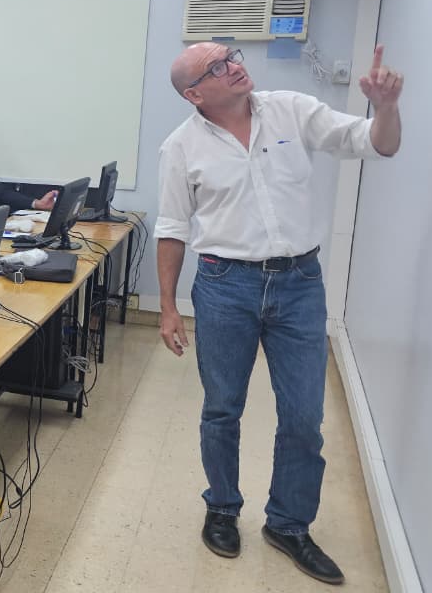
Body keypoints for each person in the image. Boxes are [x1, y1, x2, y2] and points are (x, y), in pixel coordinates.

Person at [157, 43, 402, 585]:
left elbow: (375, 143)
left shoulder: (291, 109)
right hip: (224, 285)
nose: (234, 66)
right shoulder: (180, 147)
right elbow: (172, 227)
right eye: (217, 66)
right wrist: (168, 307)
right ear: (194, 94)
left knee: (303, 415)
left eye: (231, 56)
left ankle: (289, 524)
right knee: (222, 408)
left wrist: (385, 107)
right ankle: (222, 508)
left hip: (299, 285)